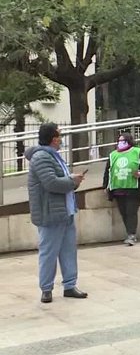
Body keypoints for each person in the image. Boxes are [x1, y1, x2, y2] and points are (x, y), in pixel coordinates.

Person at [26, 123, 88, 304]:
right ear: (53, 138)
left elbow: (58, 179)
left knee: (68, 251)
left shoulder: (53, 156)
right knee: (49, 252)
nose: (61, 139)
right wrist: (72, 181)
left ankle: (70, 285)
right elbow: (51, 183)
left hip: (65, 212)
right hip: (50, 214)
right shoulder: (41, 157)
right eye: (59, 135)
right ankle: (46, 289)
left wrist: (72, 180)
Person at [103, 133, 140, 246]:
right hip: (118, 188)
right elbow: (108, 171)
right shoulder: (113, 155)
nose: (121, 143)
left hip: (133, 188)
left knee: (131, 211)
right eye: (119, 140)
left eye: (123, 140)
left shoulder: (137, 152)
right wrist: (105, 185)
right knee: (124, 212)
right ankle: (129, 233)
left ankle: (131, 234)